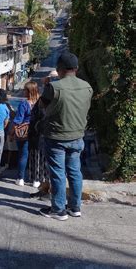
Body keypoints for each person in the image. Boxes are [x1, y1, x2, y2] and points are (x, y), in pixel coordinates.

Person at [39, 52, 93, 221]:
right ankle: (75, 207)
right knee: (75, 172)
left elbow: (42, 106)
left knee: (58, 174)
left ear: (59, 69)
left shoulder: (54, 87)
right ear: (76, 69)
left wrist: (47, 85)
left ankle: (58, 210)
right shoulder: (87, 87)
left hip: (56, 137)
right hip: (77, 136)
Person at [11, 81, 39, 187]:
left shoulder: (24, 104)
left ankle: (20, 178)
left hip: (25, 132)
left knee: (23, 155)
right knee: (36, 156)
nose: (23, 91)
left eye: (24, 90)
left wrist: (12, 132)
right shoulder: (40, 103)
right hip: (37, 133)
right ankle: (36, 180)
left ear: (28, 91)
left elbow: (18, 120)